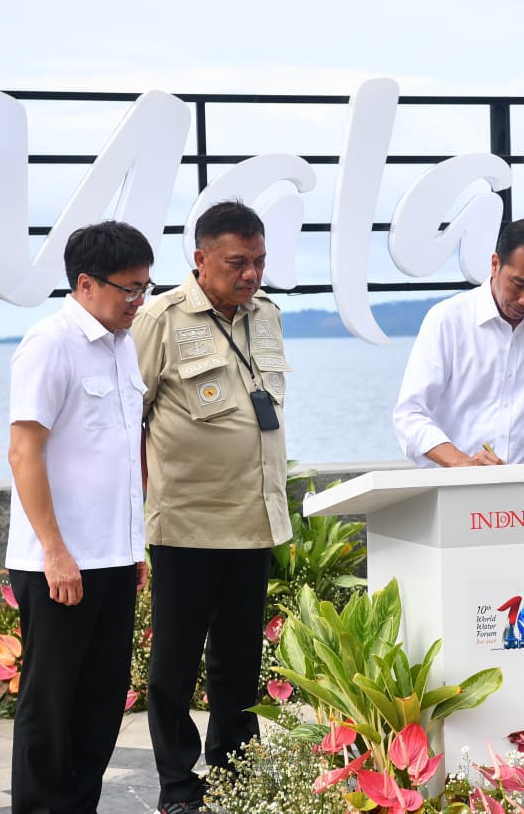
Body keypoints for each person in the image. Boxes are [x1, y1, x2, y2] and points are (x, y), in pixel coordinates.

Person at [133, 200, 293, 814]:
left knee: (239, 663)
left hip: (253, 521)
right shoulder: (162, 319)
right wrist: (137, 505)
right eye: (235, 263)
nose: (250, 274)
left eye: (258, 262)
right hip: (186, 524)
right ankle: (178, 784)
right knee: (173, 666)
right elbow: (131, 419)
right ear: (199, 260)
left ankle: (234, 770)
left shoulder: (269, 317)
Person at [5, 220, 155, 814]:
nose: (138, 302)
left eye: (145, 287)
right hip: (59, 564)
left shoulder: (124, 345)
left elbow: (121, 453)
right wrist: (55, 551)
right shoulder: (50, 343)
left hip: (114, 558)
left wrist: (133, 547)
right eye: (129, 289)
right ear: (86, 283)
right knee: (50, 707)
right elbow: (24, 451)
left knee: (99, 705)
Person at [393, 217, 524, 467]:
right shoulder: (447, 320)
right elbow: (410, 414)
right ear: (495, 265)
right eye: (519, 284)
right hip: (452, 488)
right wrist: (461, 462)